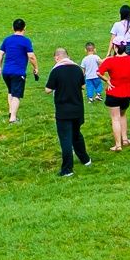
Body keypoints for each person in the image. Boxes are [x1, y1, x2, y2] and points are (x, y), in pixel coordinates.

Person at [43, 47, 94, 176]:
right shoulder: (77, 69)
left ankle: (67, 169)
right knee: (76, 135)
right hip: (77, 109)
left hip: (63, 111)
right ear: (68, 56)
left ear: (57, 57)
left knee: (66, 139)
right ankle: (85, 159)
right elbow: (83, 86)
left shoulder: (56, 71)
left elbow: (48, 90)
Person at [97, 39, 130, 151]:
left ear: (115, 47)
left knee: (115, 118)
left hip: (113, 93)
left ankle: (118, 145)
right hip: (127, 94)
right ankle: (125, 139)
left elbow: (99, 72)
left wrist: (107, 81)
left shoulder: (110, 61)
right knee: (123, 115)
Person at [0, 19, 39, 123]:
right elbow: (31, 56)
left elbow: (1, 54)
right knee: (16, 95)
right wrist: (36, 67)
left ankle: (11, 112)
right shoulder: (25, 41)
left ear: (13, 28)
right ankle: (13, 118)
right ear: (25, 28)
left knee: (10, 91)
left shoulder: (7, 40)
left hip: (6, 72)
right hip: (18, 72)